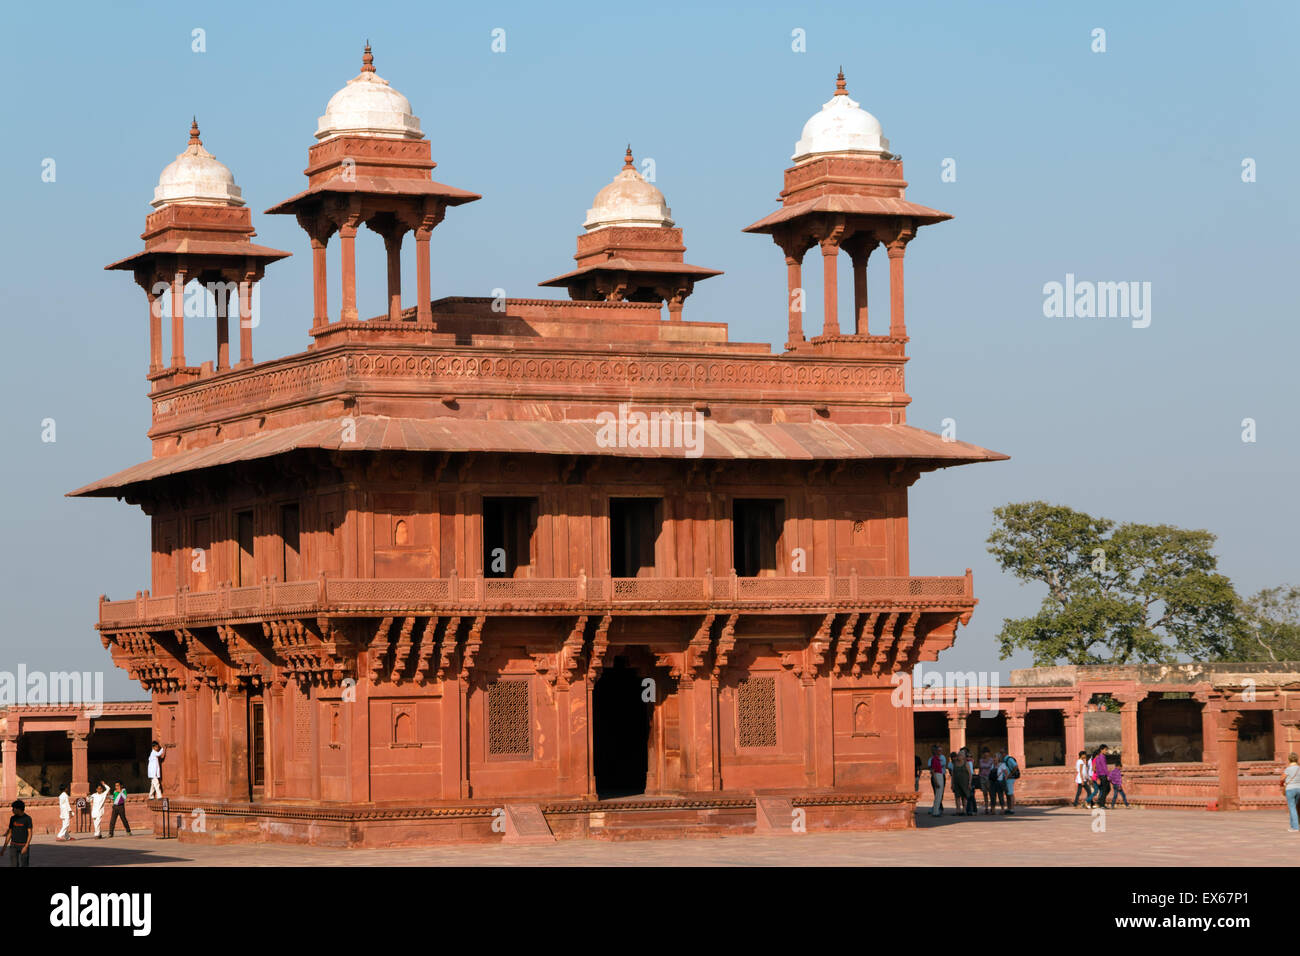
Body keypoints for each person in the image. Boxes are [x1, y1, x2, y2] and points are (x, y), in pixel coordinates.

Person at [3, 799, 34, 867]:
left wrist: (26, 846)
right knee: (14, 864)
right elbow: (10, 833)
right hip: (13, 846)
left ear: (19, 809)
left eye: (13, 808)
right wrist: (4, 847)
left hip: (23, 845)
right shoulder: (12, 818)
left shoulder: (27, 819)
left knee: (24, 864)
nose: (12, 810)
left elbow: (30, 833)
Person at [951, 751, 972, 816]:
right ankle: (958, 810)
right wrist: (952, 783)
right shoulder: (955, 764)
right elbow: (953, 775)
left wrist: (969, 783)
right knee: (957, 796)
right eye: (958, 755)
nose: (959, 756)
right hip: (957, 783)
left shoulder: (966, 764)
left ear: (963, 757)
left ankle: (964, 809)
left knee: (964, 796)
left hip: (964, 783)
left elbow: (970, 774)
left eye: (961, 755)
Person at [928, 745, 947, 817]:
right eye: (938, 751)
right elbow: (932, 771)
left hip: (940, 775)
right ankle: (935, 811)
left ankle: (936, 810)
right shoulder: (934, 759)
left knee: (939, 795)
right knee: (938, 794)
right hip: (937, 775)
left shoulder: (938, 759)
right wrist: (935, 781)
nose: (940, 752)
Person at [1284, 753, 1300, 831]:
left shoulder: (1288, 769)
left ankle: (1295, 827)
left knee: (1292, 808)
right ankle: (1292, 825)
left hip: (1290, 789)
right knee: (1294, 807)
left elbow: (1281, 778)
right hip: (1299, 789)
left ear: (1289, 759)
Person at [961, 747, 978, 815]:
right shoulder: (964, 762)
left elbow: (970, 773)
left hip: (970, 779)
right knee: (967, 795)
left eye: (969, 756)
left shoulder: (969, 763)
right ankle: (969, 810)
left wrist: (970, 782)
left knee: (970, 795)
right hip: (966, 779)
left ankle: (972, 810)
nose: (968, 757)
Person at [979, 748, 996, 814]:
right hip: (982, 777)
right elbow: (980, 769)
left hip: (989, 778)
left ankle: (992, 807)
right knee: (985, 793)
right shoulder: (981, 760)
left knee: (991, 793)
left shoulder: (991, 760)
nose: (986, 754)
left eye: (987, 752)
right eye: (984, 753)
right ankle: (986, 807)